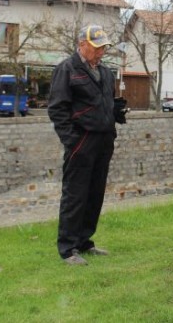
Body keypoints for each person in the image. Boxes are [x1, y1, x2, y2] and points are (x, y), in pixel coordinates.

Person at [48, 24, 128, 266]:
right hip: (81, 140)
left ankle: (84, 241)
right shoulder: (67, 69)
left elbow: (100, 104)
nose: (101, 52)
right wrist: (72, 141)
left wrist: (115, 111)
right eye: (97, 47)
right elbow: (57, 109)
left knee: (95, 194)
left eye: (103, 47)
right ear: (82, 44)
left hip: (104, 140)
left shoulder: (105, 73)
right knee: (75, 195)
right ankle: (67, 248)